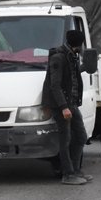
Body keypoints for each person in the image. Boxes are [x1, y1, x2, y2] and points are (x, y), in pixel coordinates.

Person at [41, 29, 91, 185]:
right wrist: (63, 107)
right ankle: (68, 174)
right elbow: (54, 85)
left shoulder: (71, 55)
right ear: (79, 44)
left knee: (81, 136)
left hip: (72, 103)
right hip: (62, 105)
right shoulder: (58, 57)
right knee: (65, 139)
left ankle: (75, 170)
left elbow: (71, 76)